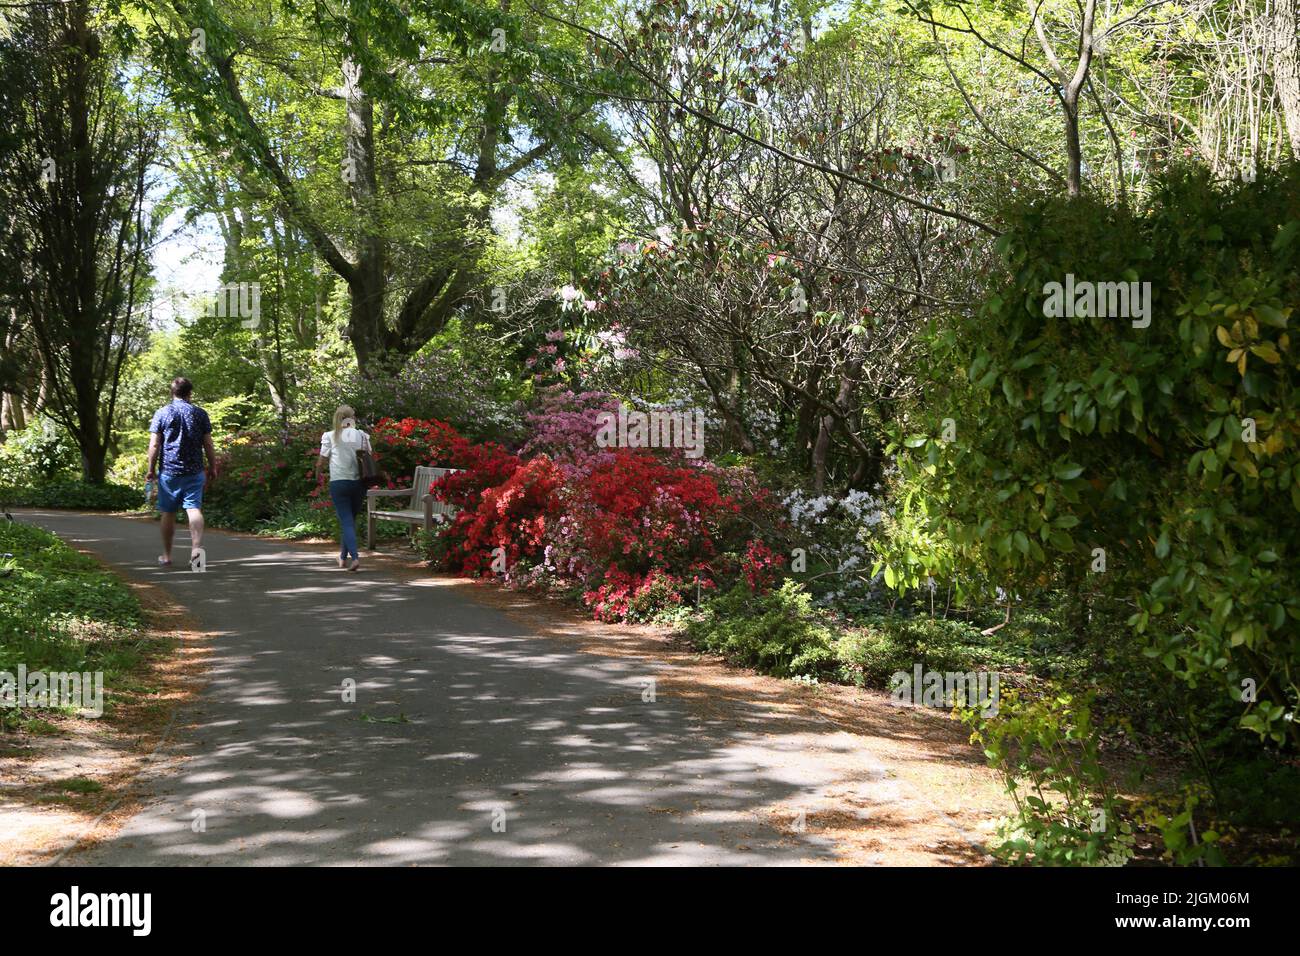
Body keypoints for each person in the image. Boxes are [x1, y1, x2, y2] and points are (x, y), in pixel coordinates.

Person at [146, 377, 217, 568]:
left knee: (168, 512)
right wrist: (213, 465)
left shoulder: (162, 413)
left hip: (169, 472)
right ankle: (197, 557)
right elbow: (208, 443)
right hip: (194, 471)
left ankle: (167, 556)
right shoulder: (200, 414)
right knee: (194, 509)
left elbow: (154, 444)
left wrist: (150, 469)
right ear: (190, 393)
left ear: (173, 392)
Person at [316, 405, 372, 572]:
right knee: (349, 521)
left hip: (339, 483)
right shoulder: (362, 435)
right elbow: (369, 455)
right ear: (351, 418)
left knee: (347, 521)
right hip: (358, 483)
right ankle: (342, 557)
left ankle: (354, 558)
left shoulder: (330, 436)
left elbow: (322, 460)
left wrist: (318, 474)